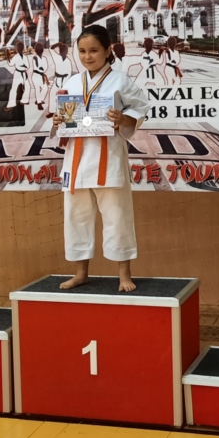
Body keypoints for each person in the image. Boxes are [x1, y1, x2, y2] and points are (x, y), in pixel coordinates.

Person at [53, 25, 151, 292]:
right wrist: (58, 120)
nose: (87, 56)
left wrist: (123, 117)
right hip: (76, 159)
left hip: (108, 157)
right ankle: (81, 272)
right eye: (82, 51)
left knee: (117, 215)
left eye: (94, 50)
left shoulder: (120, 80)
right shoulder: (72, 82)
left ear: (108, 51)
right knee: (76, 216)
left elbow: (141, 108)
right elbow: (62, 118)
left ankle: (124, 274)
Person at [48, 43, 73, 117]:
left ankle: (64, 112)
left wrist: (66, 82)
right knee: (52, 93)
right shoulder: (57, 57)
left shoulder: (67, 61)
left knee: (64, 96)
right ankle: (52, 111)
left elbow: (69, 73)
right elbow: (50, 49)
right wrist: (58, 44)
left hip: (65, 80)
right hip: (57, 79)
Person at [5, 40, 30, 110]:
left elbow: (28, 66)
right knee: (14, 89)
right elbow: (11, 64)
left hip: (24, 74)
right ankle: (11, 104)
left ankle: (24, 100)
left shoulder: (25, 57)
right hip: (18, 74)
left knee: (27, 87)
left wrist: (24, 66)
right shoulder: (16, 57)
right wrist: (8, 56)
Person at [30, 42, 50, 111]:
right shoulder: (34, 58)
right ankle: (39, 103)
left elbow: (46, 67)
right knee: (37, 89)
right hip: (36, 75)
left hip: (41, 75)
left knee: (45, 88)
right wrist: (41, 68)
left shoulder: (44, 58)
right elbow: (36, 67)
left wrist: (42, 69)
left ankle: (40, 99)